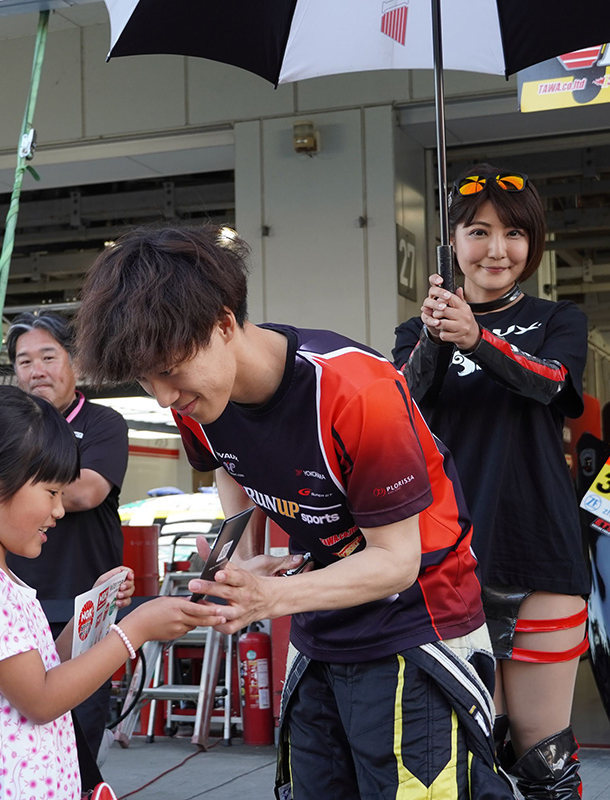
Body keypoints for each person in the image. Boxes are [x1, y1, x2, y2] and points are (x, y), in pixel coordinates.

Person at [74, 226, 513, 800]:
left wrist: (270, 599)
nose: (161, 397)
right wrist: (246, 562)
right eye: (144, 378)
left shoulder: (355, 391)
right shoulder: (199, 401)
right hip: (319, 626)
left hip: (416, 624)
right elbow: (227, 464)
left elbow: (398, 562)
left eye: (169, 371)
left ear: (224, 324)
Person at [0, 385, 221, 799]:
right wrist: (134, 631)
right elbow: (41, 699)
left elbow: (38, 669)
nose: (60, 510)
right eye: (51, 493)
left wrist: (92, 615)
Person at [393, 165, 589, 800]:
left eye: (514, 234)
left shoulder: (559, 319)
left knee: (542, 756)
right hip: (449, 556)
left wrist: (477, 338)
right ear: (452, 241)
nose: (497, 249)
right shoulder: (415, 333)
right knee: (473, 752)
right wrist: (433, 338)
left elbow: (552, 384)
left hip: (540, 550)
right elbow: (396, 414)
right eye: (478, 231)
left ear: (533, 243)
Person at [3, 311, 131, 755]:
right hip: (14, 613)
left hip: (83, 614)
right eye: (24, 362)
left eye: (48, 356)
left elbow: (86, 492)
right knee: (22, 744)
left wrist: (5, 486)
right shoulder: (8, 427)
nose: (36, 370)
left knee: (77, 750)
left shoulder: (103, 424)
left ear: (74, 360)